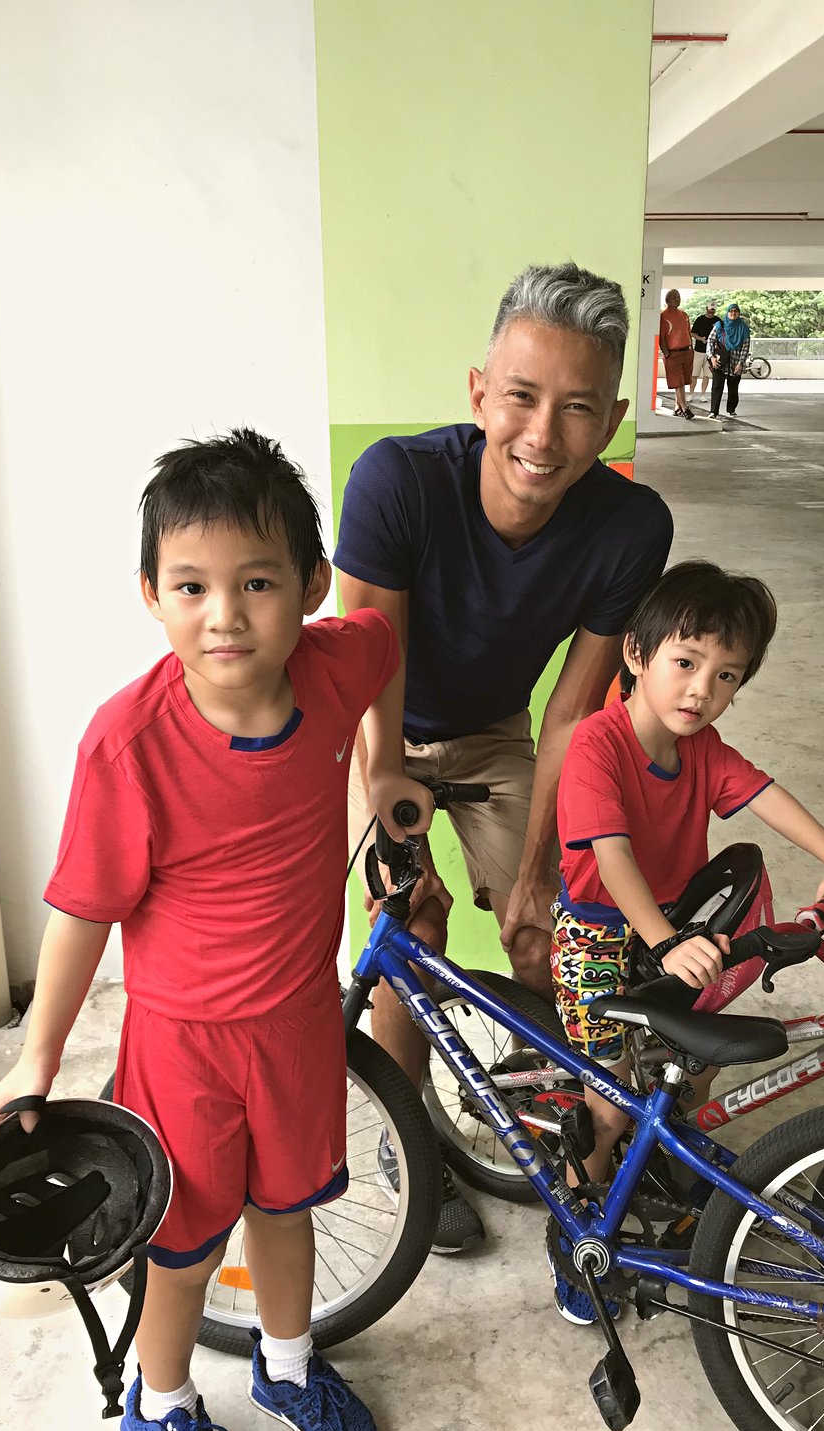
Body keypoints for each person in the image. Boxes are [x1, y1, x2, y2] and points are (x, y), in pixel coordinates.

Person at [0, 429, 430, 1431]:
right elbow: (83, 909)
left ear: (310, 589)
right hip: (181, 1046)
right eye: (192, 585)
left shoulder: (336, 667)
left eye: (257, 583)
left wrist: (386, 765)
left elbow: (383, 646)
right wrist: (36, 1059)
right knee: (182, 1248)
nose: (224, 614)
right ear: (151, 594)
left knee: (287, 1213)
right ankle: (161, 1401)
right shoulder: (127, 744)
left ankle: (286, 1365)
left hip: (296, 1027)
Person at [336, 262, 675, 1253]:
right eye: (522, 396)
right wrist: (396, 819)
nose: (542, 432)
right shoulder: (397, 481)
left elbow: (576, 704)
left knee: (551, 929)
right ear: (479, 390)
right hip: (377, 724)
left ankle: (573, 1128)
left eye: (576, 408)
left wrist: (531, 874)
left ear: (610, 420)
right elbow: (366, 668)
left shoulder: (630, 526)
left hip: (494, 732)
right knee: (410, 927)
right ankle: (418, 1143)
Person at [548, 560, 824, 1325]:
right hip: (604, 936)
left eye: (726, 674)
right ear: (636, 657)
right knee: (607, 1108)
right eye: (685, 663)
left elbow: (768, 796)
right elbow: (613, 855)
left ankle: (669, 1159)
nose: (701, 690)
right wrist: (667, 939)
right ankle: (578, 1223)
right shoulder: (596, 746)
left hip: (679, 927)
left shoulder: (701, 748)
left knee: (692, 1072)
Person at [708, 302, 751, 419]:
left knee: (733, 388)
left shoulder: (743, 328)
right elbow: (710, 342)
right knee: (716, 387)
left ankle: (731, 409)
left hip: (735, 363)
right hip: (719, 362)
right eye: (731, 311)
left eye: (735, 311)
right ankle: (713, 412)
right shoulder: (719, 325)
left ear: (739, 313)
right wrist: (711, 357)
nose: (733, 313)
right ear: (727, 313)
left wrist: (741, 363)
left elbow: (745, 347)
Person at [658, 287, 694, 419]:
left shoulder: (684, 315)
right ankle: (685, 408)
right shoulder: (662, 316)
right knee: (677, 382)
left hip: (687, 352)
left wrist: (691, 349)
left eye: (679, 297)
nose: (677, 299)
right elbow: (661, 337)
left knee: (683, 381)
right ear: (667, 300)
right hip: (673, 353)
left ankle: (677, 407)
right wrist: (666, 353)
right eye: (674, 297)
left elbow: (688, 333)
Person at [689, 298, 718, 400]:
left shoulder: (718, 321)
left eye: (713, 311)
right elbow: (692, 333)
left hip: (711, 352)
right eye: (709, 311)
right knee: (694, 374)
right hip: (699, 350)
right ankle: (691, 394)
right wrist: (701, 339)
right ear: (706, 309)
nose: (711, 313)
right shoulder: (700, 319)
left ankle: (703, 394)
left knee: (707, 375)